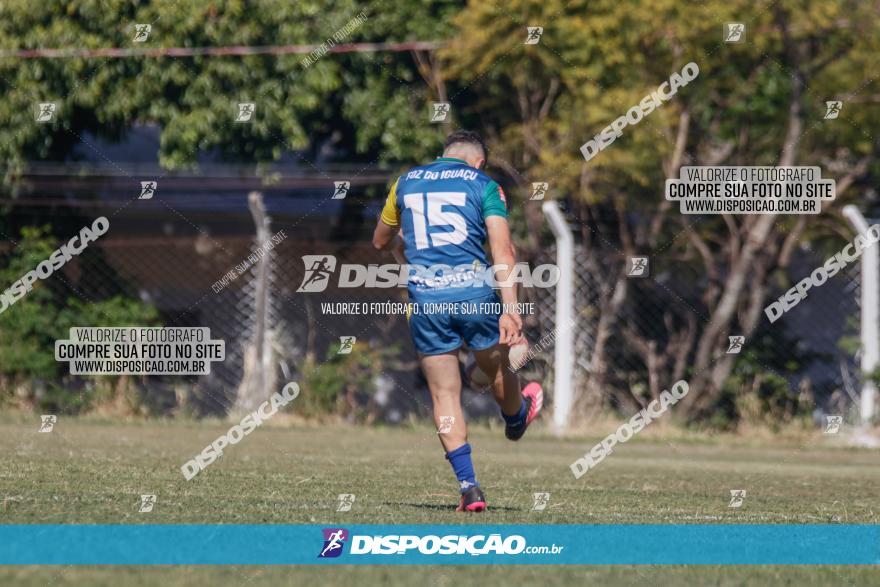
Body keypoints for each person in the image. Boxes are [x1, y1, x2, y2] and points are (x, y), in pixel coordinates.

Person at [372, 130, 543, 512]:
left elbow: (380, 241)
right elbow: (503, 250)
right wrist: (511, 308)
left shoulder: (406, 182)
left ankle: (469, 488)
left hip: (426, 301)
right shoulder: (484, 185)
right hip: (475, 297)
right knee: (497, 372)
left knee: (444, 395)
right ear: (478, 161)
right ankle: (515, 417)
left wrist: (409, 234)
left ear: (444, 154)